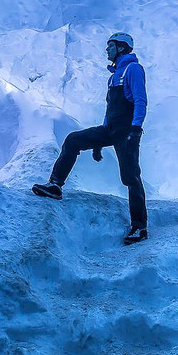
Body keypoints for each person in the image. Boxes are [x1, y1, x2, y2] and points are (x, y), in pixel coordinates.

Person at [32, 32, 148, 245]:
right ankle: (55, 186)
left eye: (110, 45)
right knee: (72, 140)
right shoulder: (114, 75)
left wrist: (136, 130)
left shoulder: (133, 69)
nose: (107, 50)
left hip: (126, 132)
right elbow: (110, 108)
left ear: (121, 47)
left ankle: (139, 227)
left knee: (131, 178)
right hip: (110, 130)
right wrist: (99, 142)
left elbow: (140, 101)